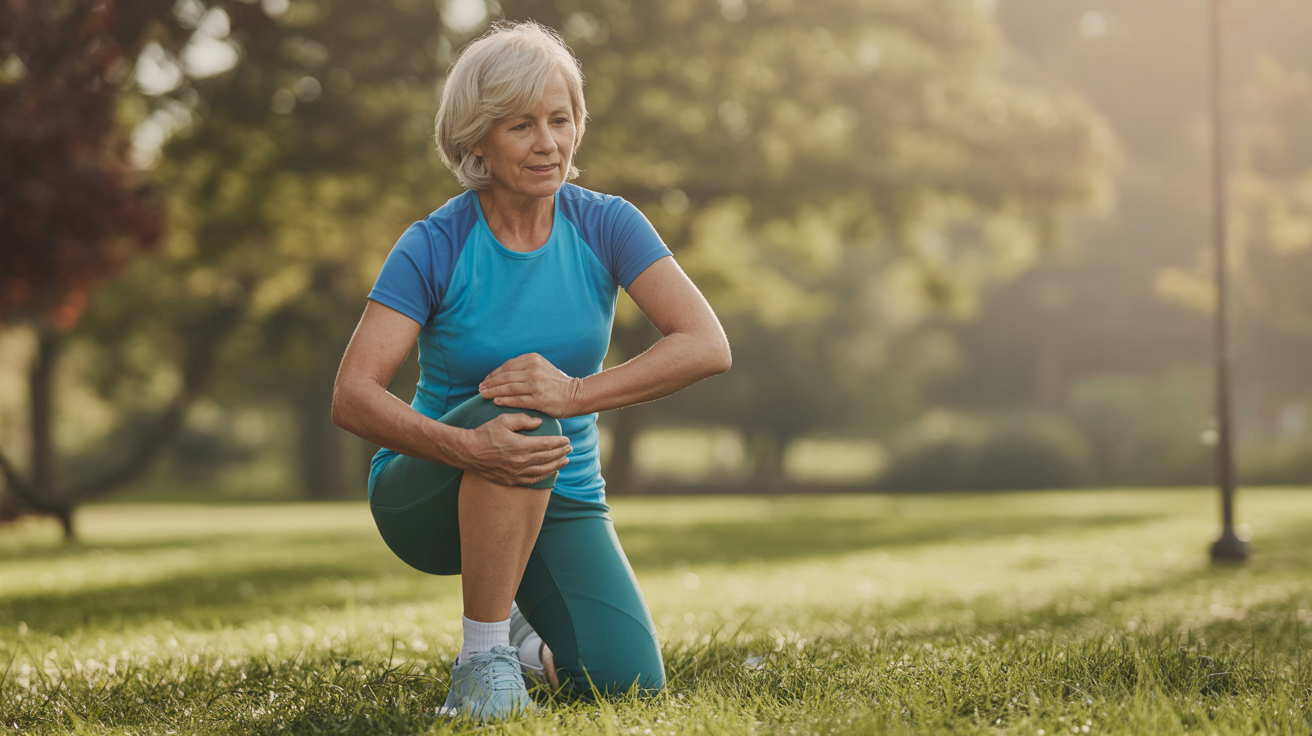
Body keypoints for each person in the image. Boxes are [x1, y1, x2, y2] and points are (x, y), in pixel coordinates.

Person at [330, 20, 732, 721]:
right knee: (521, 414)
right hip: (428, 490)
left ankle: (523, 647)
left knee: (626, 681)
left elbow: (704, 343)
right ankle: (480, 659)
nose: (548, 143)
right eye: (521, 125)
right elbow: (353, 396)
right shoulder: (436, 243)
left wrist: (576, 393)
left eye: (561, 119)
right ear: (476, 138)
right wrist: (468, 446)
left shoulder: (608, 224)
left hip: (564, 492)